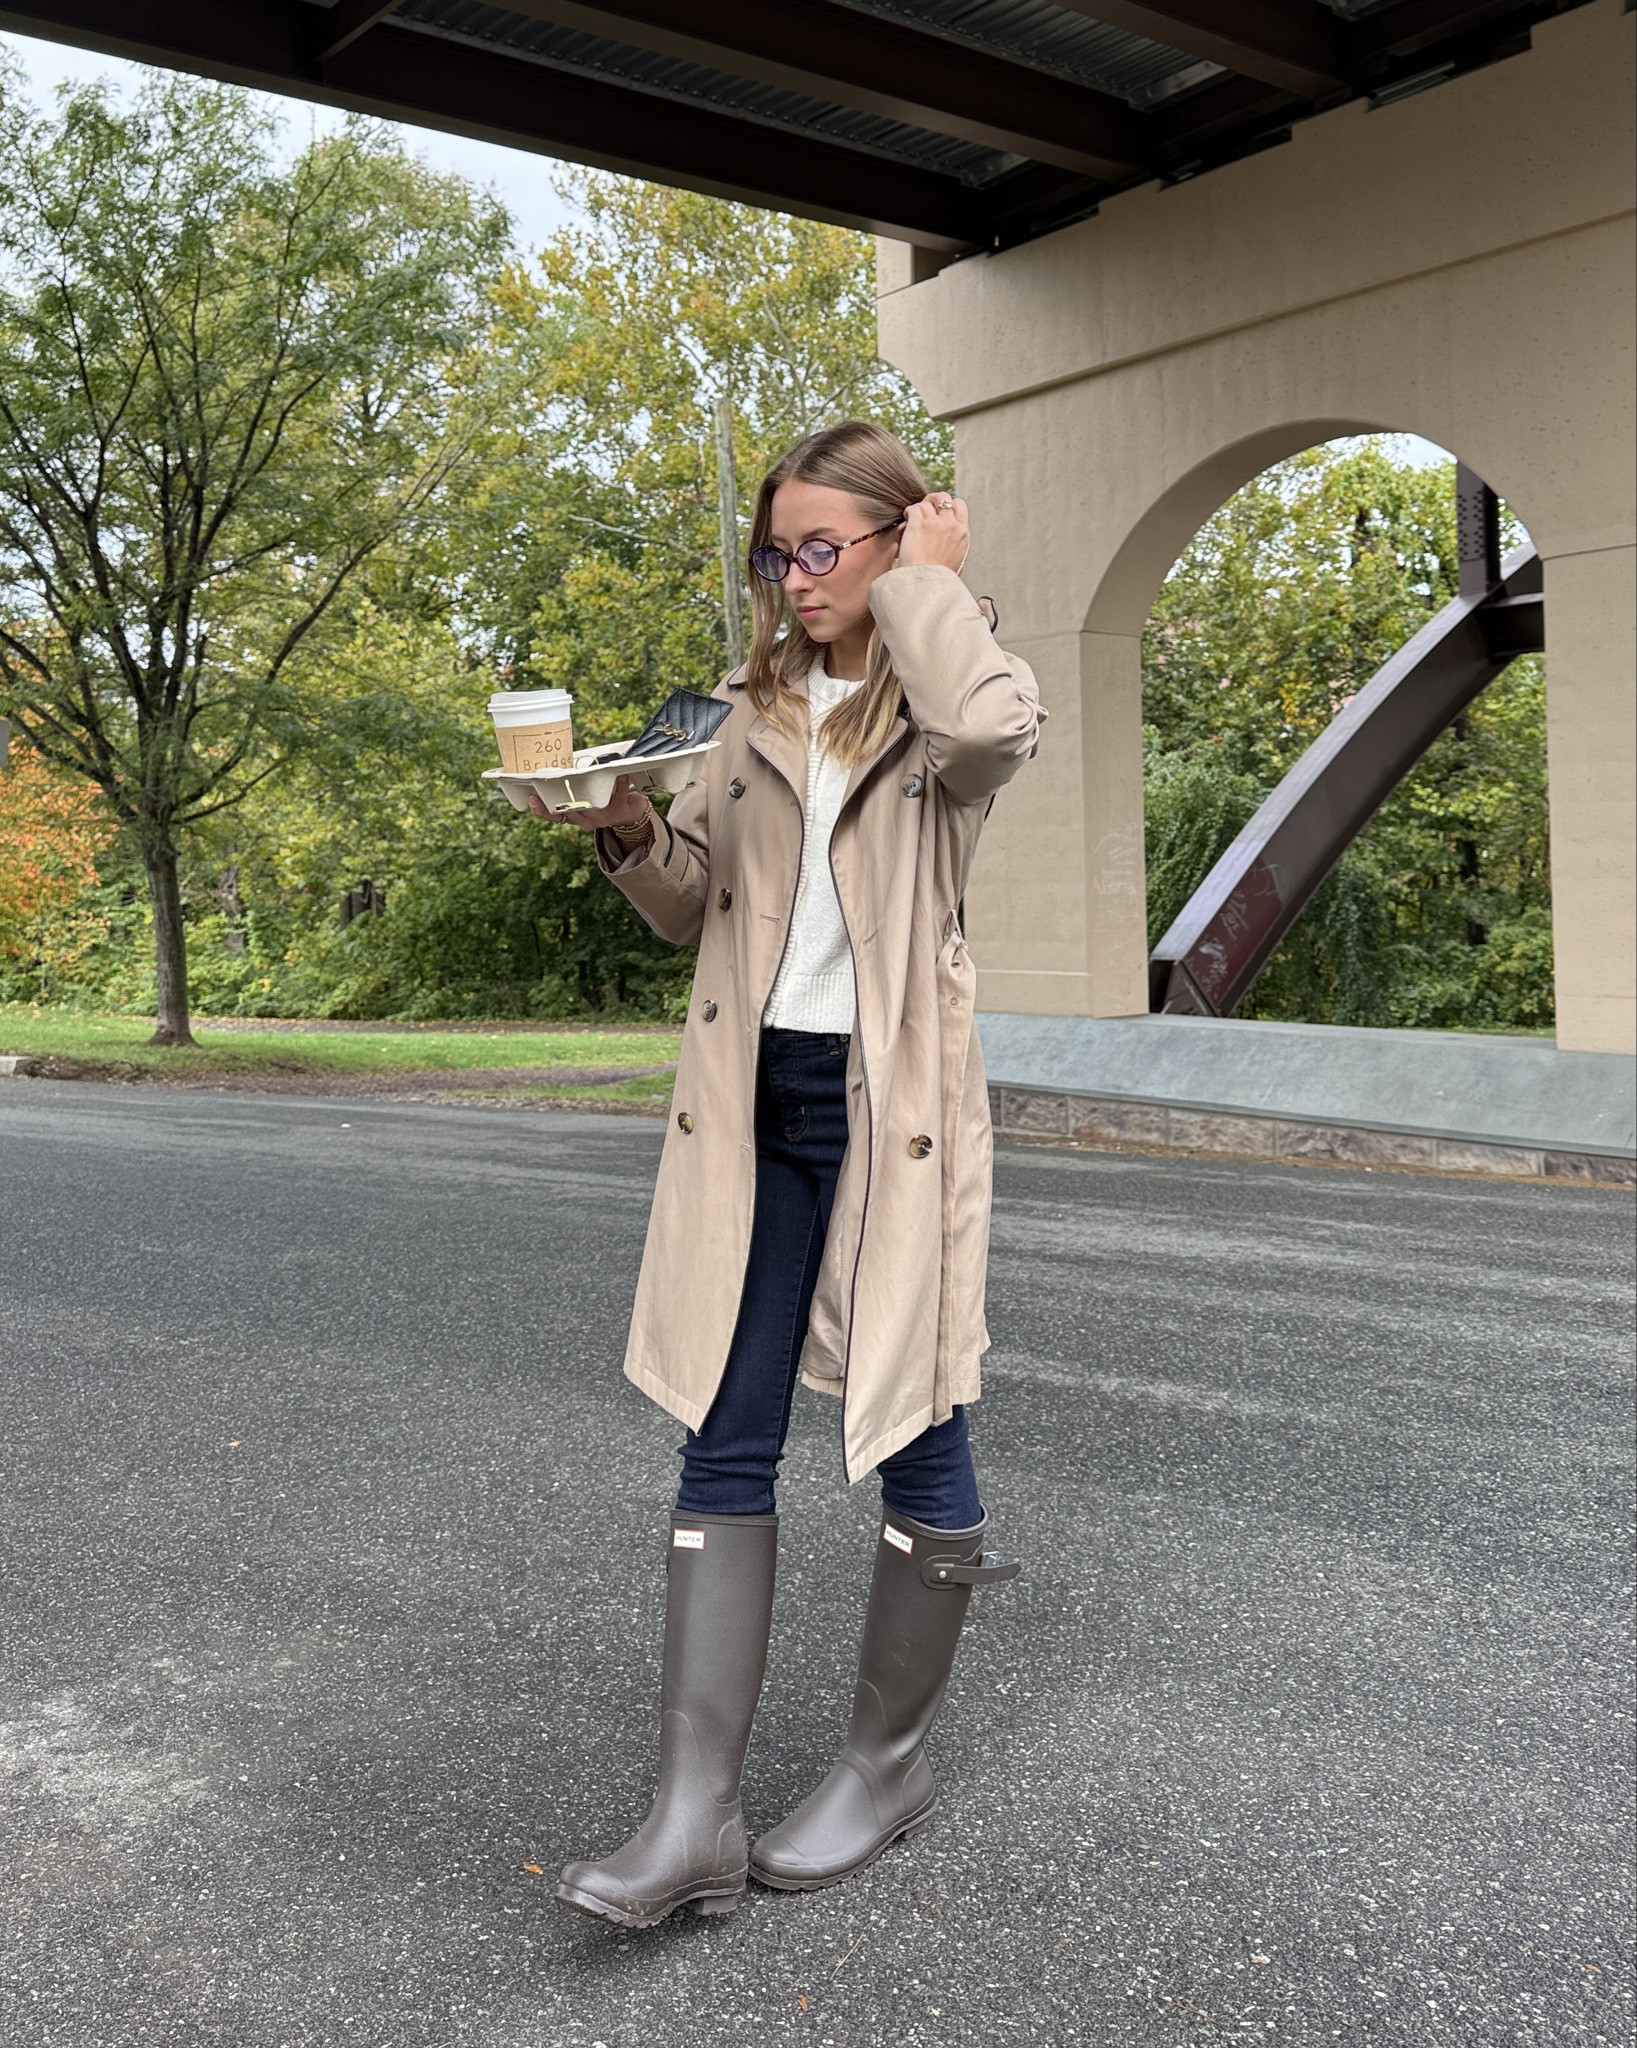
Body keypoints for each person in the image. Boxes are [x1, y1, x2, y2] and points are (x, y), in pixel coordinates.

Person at [529, 418, 1042, 1929]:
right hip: (752, 1110)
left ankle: (884, 1766)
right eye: (778, 552)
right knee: (722, 1430)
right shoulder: (741, 711)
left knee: (910, 1414)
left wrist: (931, 590)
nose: (794, 577)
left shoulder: (953, 685)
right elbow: (693, 913)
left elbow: (986, 742)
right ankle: (692, 1815)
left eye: (825, 547)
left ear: (898, 539)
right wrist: (624, 828)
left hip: (889, 1116)